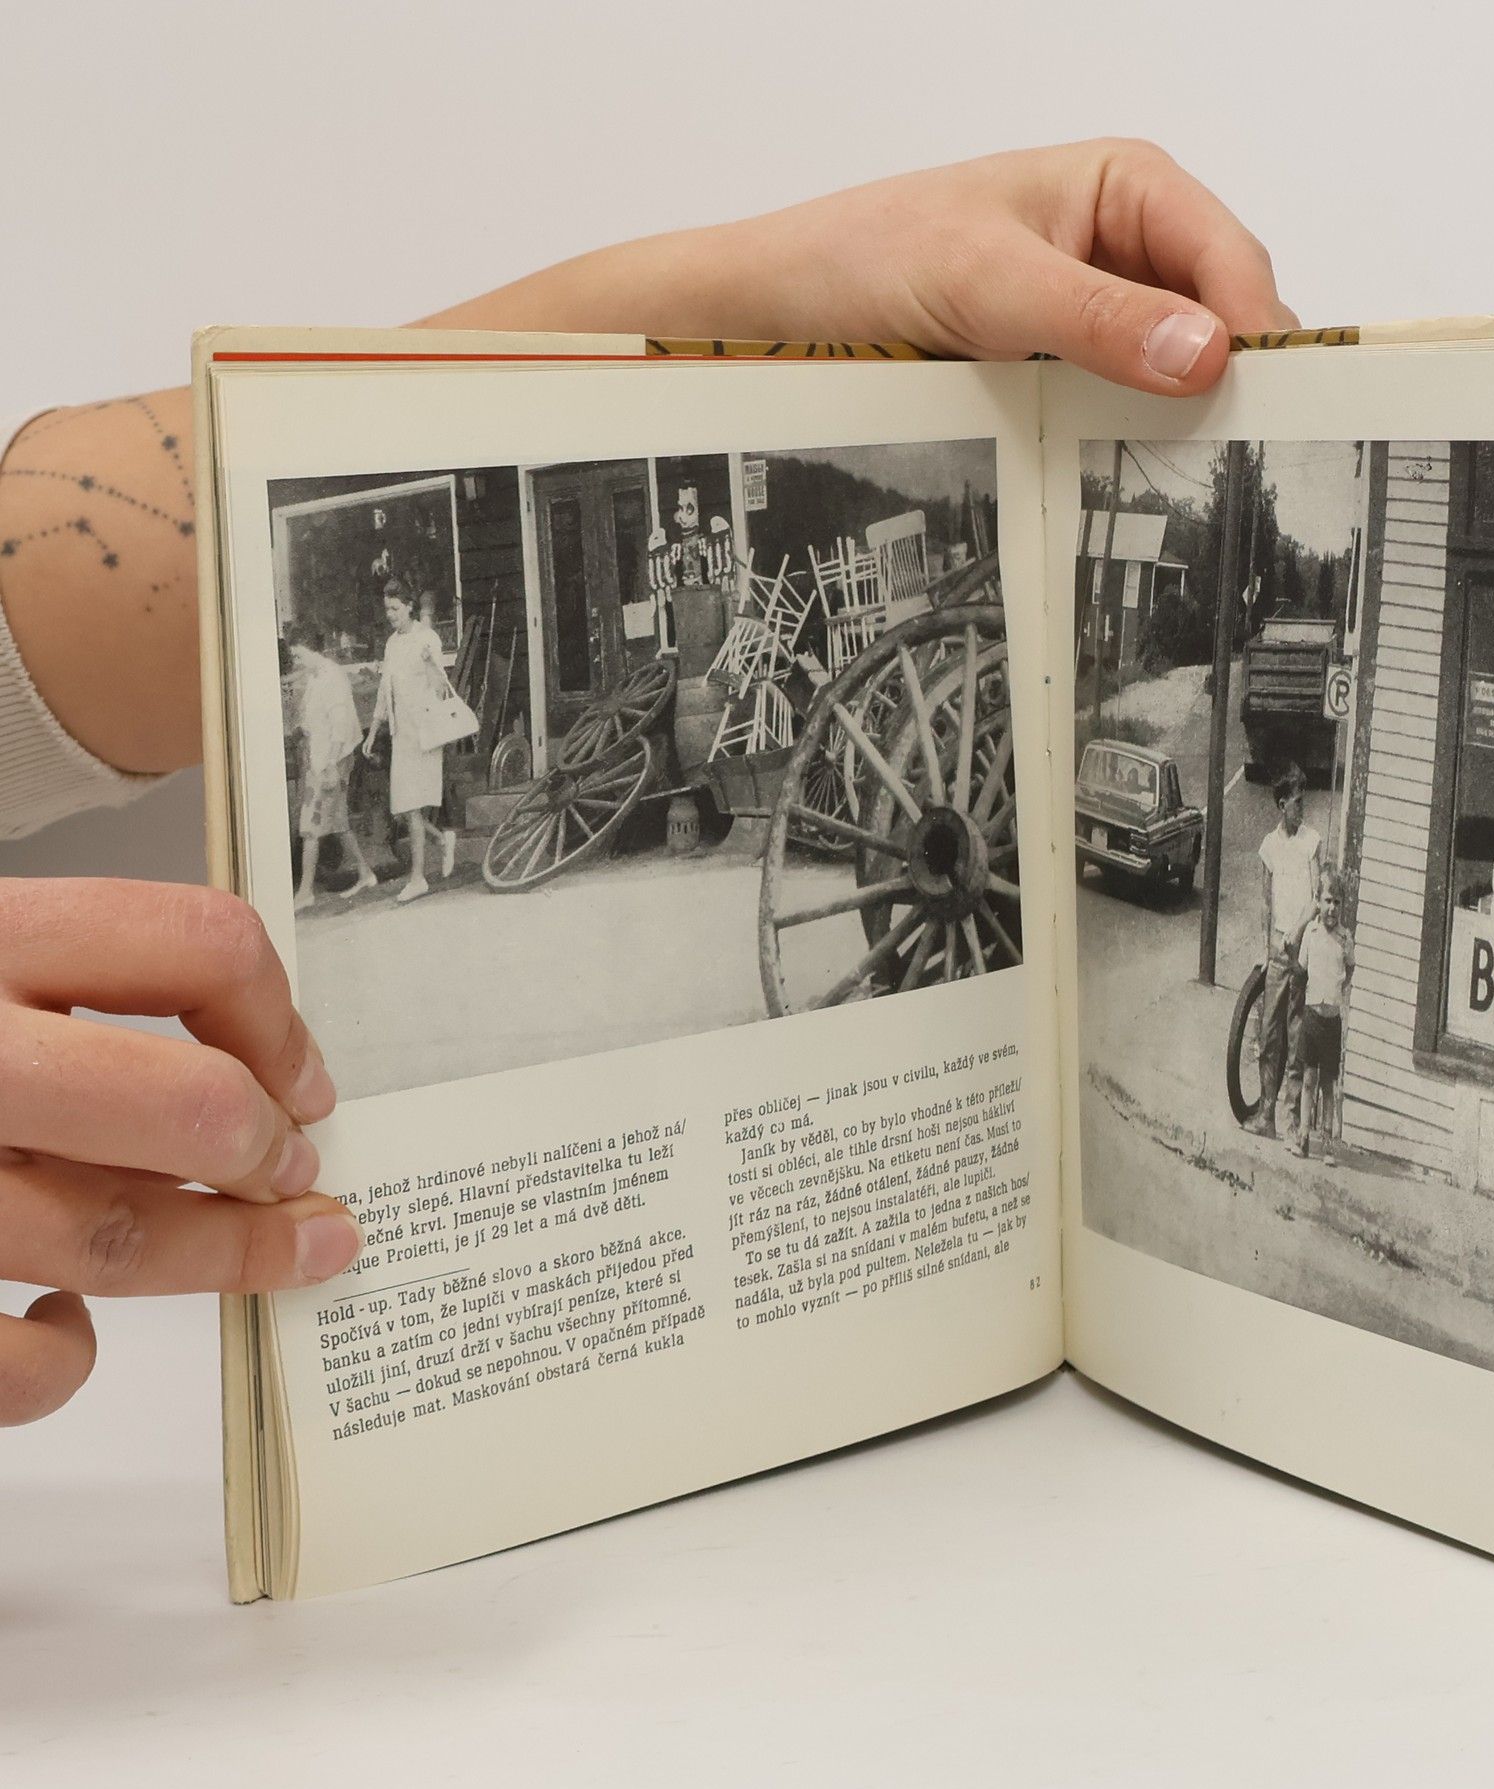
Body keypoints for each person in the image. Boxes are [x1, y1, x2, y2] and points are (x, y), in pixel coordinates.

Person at [0, 139, 1296, 1426]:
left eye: (688, 534)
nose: (685, 544)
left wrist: (719, 301)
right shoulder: (663, 607)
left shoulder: (711, 592)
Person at [361, 579, 456, 903]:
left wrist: (430, 662)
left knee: (411, 805)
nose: (390, 614)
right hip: (401, 734)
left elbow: (441, 689)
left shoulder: (427, 638)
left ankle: (417, 878)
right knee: (402, 807)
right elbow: (384, 692)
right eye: (387, 609)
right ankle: (441, 840)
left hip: (424, 732)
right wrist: (373, 730)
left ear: (410, 606)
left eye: (395, 608)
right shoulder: (392, 644)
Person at [1247, 763, 1321, 1141]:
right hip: (1278, 950)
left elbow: (1316, 899)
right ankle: (1266, 1115)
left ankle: (1292, 1121)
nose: (1302, 808)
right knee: (1269, 1034)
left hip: (1302, 952)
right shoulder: (1269, 847)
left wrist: (1297, 932)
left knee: (1296, 1038)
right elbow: (1265, 903)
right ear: (1282, 805)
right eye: (1297, 802)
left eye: (1303, 801)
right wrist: (1267, 947)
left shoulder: (1311, 842)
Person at [285, 623, 379, 913]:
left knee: (310, 827)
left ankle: (305, 892)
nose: (296, 661)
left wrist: (330, 766)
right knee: (338, 823)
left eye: (298, 655)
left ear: (311, 650)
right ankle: (366, 873)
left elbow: (340, 727)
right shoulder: (315, 677)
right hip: (321, 758)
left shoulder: (331, 677)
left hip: (330, 761)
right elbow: (314, 719)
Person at [1291, 879, 1354, 1161]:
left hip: (1332, 1019)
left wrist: (1337, 992)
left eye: (1337, 902)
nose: (1332, 908)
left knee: (1328, 1084)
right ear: (1319, 901)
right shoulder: (1312, 932)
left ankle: (1327, 1141)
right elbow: (1302, 968)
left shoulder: (1345, 938)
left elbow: (1349, 970)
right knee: (1308, 1079)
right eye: (1328, 901)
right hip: (1312, 1016)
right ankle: (1303, 1136)